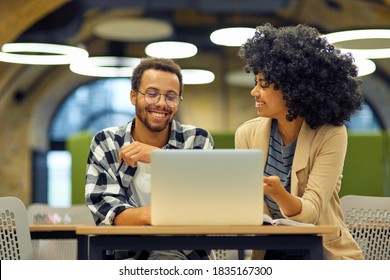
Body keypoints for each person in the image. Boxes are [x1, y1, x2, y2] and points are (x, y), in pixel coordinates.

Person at [235, 23, 364, 260]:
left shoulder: (331, 134)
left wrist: (278, 193)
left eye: (263, 84)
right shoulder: (246, 134)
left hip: (321, 252)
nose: (254, 92)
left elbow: (311, 213)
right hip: (269, 253)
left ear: (293, 90)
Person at [85, 57, 214, 260]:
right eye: (152, 94)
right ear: (133, 96)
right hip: (127, 261)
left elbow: (207, 202)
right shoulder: (107, 142)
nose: (161, 104)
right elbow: (108, 212)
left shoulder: (197, 139)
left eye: (171, 97)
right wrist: (157, 214)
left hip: (189, 258)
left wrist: (158, 157)